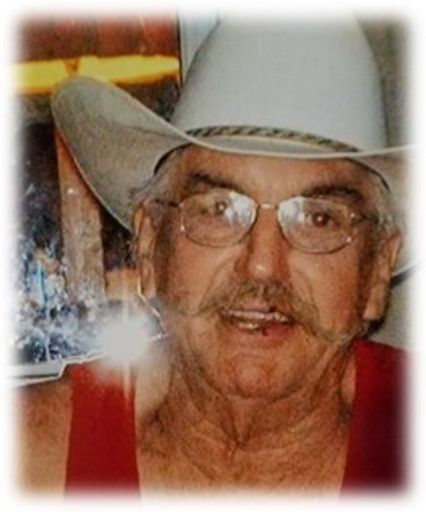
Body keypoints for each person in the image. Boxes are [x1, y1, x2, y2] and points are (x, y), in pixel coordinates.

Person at [17, 17, 409, 493]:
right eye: (220, 210)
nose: (262, 264)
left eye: (318, 218)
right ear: (150, 246)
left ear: (377, 272)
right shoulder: (29, 459)